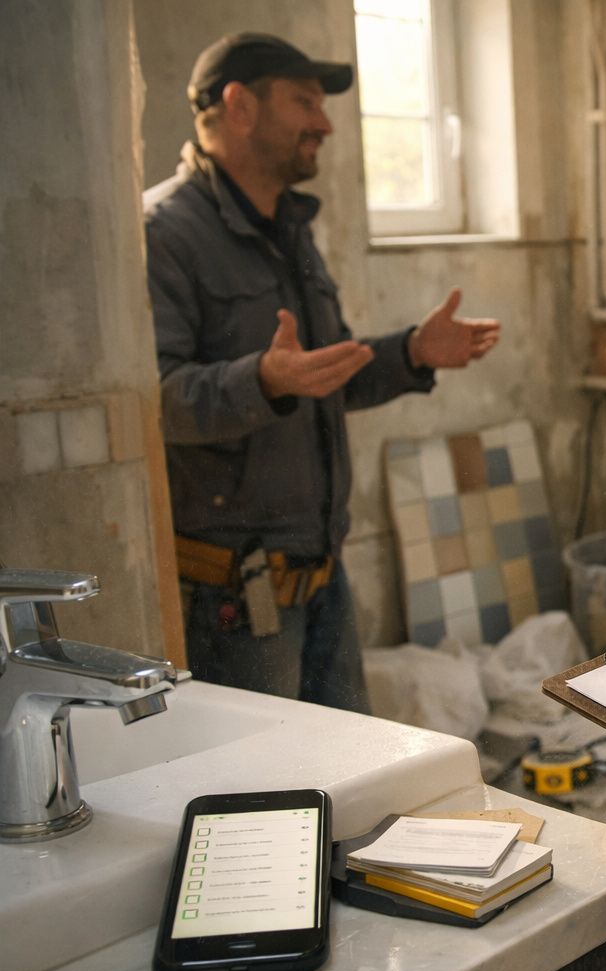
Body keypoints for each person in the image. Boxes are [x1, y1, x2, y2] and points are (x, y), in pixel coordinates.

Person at [144, 33, 501, 713]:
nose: (326, 122)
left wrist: (412, 353)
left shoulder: (289, 229)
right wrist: (265, 382)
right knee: (263, 802)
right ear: (239, 105)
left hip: (322, 581)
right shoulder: (165, 232)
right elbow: (154, 405)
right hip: (233, 601)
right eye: (304, 101)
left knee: (342, 791)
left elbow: (318, 375)